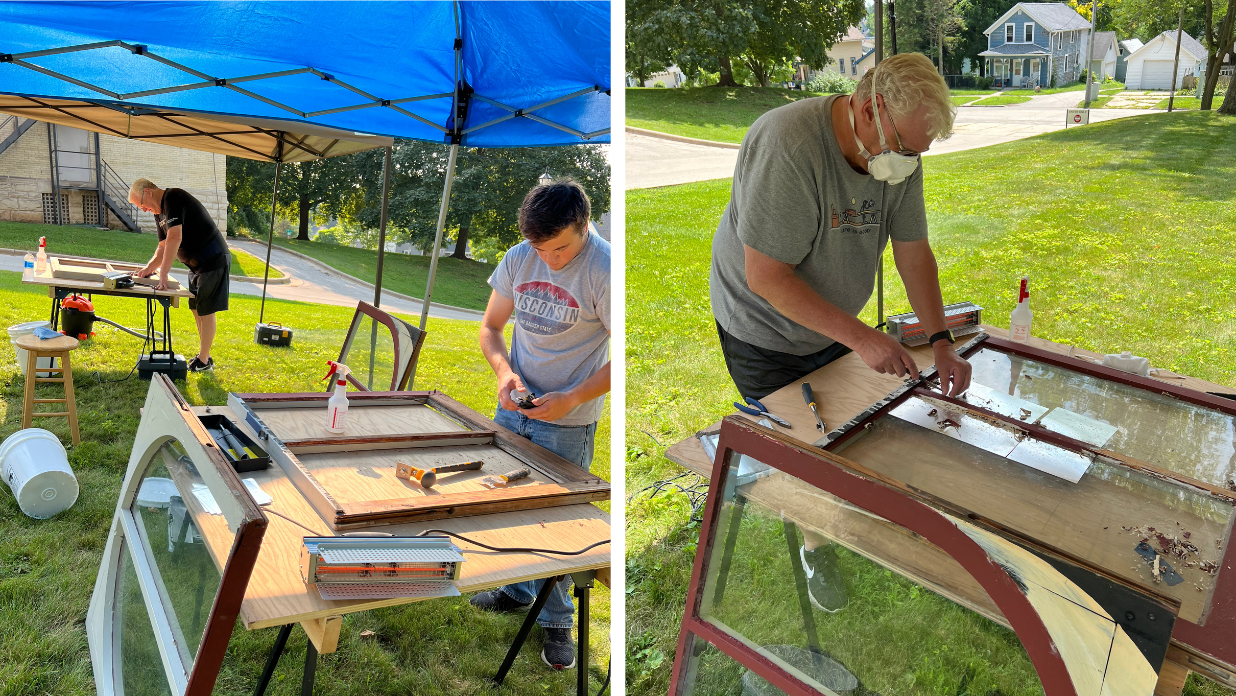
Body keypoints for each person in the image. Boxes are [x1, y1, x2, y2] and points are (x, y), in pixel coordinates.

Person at [709, 53, 972, 612]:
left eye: (919, 154)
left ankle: (837, 511)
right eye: (906, 149)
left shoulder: (897, 153)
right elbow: (767, 278)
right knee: (805, 449)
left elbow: (913, 250)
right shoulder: (790, 144)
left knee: (847, 431)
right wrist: (862, 338)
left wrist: (942, 340)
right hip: (762, 325)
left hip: (836, 319)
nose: (911, 163)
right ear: (871, 109)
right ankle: (816, 549)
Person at [470, 179, 611, 670]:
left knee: (555, 518)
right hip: (516, 405)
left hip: (569, 420)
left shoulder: (605, 269)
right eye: (540, 248)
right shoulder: (517, 258)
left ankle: (557, 623)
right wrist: (506, 373)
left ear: (585, 224)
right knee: (507, 502)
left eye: (561, 248)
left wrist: (572, 397)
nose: (550, 258)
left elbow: (625, 358)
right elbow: (490, 328)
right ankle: (516, 587)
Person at [129, 178, 229, 373]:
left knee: (206, 310)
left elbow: (175, 237)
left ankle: (204, 359)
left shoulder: (173, 198)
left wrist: (164, 274)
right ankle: (204, 355)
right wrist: (149, 269)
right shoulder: (159, 213)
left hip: (213, 258)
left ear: (148, 192)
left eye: (141, 204)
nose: (142, 209)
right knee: (197, 309)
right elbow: (163, 246)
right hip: (196, 265)